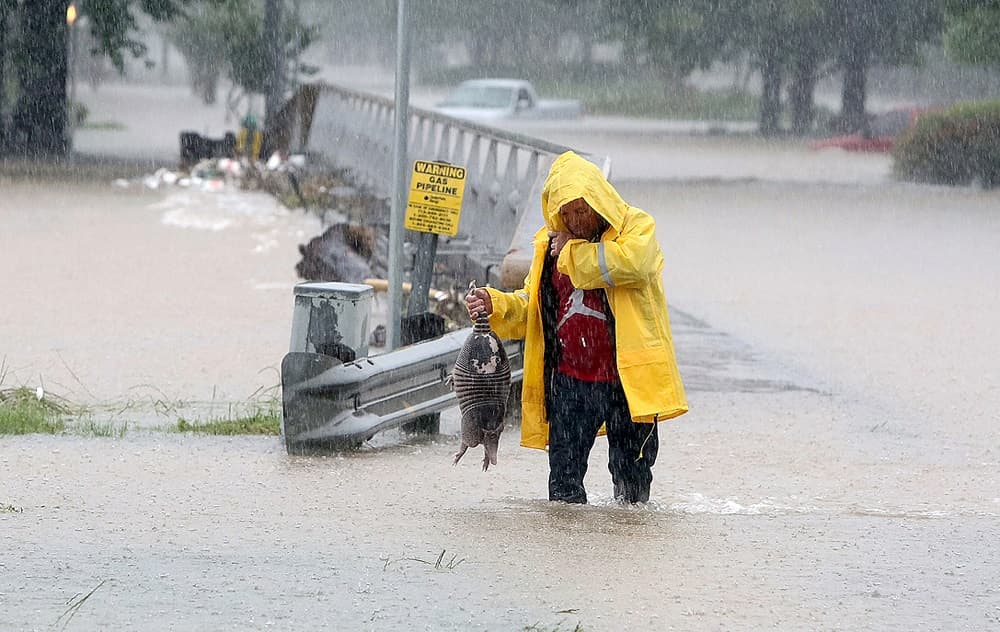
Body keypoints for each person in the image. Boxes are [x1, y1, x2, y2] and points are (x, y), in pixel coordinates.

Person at [465, 151, 688, 504]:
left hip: (628, 383)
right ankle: (566, 554)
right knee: (563, 488)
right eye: (565, 213)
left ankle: (626, 554)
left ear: (599, 202)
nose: (575, 220)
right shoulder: (549, 245)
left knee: (632, 490)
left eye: (581, 210)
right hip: (571, 383)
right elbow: (533, 310)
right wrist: (496, 304)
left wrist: (571, 252)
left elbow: (632, 265)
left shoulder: (636, 228)